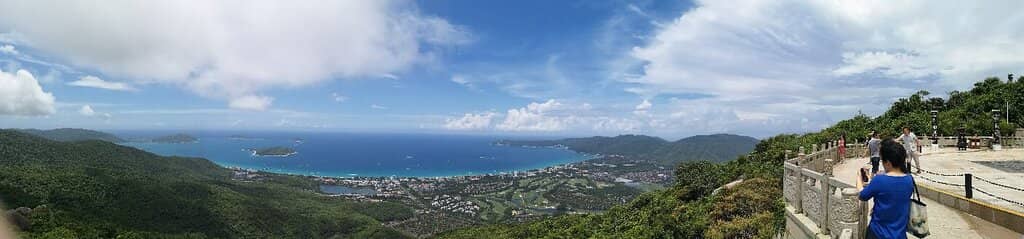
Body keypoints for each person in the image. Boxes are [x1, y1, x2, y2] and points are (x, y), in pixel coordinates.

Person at [857, 139, 914, 239]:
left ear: (888, 163)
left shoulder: (879, 180)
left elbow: (862, 195)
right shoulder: (909, 179)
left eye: (882, 160)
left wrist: (859, 177)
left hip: (879, 233)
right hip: (900, 234)